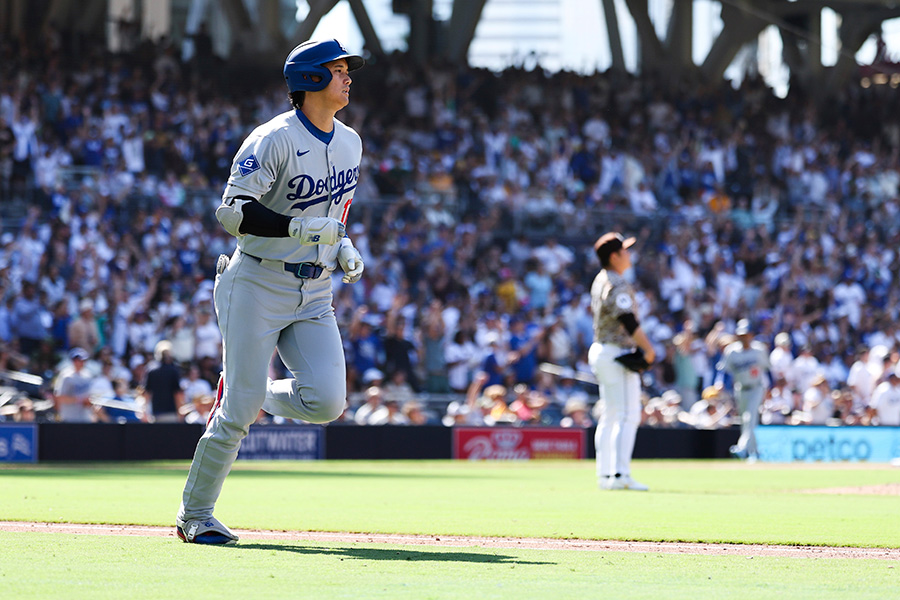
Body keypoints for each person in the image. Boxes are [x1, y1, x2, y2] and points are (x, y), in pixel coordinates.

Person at [177, 39, 366, 545]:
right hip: (257, 280)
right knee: (237, 413)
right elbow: (232, 212)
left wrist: (342, 244)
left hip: (315, 289)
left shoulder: (350, 141)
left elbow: (335, 215)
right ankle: (195, 516)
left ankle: (245, 392)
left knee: (328, 401)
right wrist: (299, 231)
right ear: (308, 80)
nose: (348, 77)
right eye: (338, 69)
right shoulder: (272, 138)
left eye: (348, 69)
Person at [588, 232, 655, 491]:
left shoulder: (600, 279)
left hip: (603, 349)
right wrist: (648, 349)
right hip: (616, 352)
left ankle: (606, 475)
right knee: (627, 414)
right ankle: (620, 475)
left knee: (610, 414)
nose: (629, 254)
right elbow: (628, 320)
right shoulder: (617, 282)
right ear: (614, 256)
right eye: (625, 251)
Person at [715, 319, 770, 462]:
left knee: (749, 418)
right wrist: (719, 383)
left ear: (752, 335)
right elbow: (723, 370)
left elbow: (768, 370)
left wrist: (772, 387)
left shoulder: (759, 350)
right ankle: (754, 452)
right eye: (741, 335)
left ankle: (741, 448)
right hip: (740, 388)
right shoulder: (732, 351)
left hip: (756, 388)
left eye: (746, 334)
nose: (744, 337)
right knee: (746, 422)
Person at [143, 340, 184, 423]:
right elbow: (177, 393)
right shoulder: (173, 371)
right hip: (170, 413)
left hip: (155, 413)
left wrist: (145, 412)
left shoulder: (151, 370)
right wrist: (180, 411)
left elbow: (146, 393)